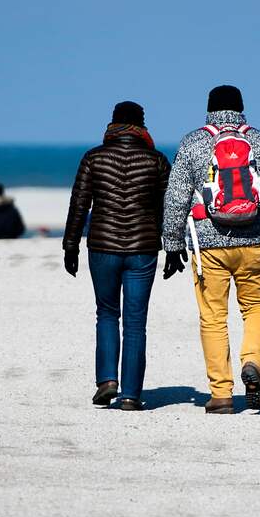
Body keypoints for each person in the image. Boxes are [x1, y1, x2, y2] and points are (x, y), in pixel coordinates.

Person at [161, 85, 260, 414]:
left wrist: (172, 243)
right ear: (241, 108)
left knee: (213, 317)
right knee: (256, 306)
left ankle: (221, 394)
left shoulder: (193, 142)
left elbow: (176, 197)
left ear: (209, 109)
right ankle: (252, 360)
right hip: (254, 242)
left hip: (208, 245)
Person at [63, 101, 171, 411]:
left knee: (107, 313)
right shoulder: (156, 160)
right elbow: (169, 208)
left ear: (112, 124)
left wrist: (70, 245)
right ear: (142, 126)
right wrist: (173, 246)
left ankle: (107, 380)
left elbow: (79, 204)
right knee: (136, 322)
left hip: (103, 247)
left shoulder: (93, 157)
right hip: (143, 249)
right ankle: (130, 395)